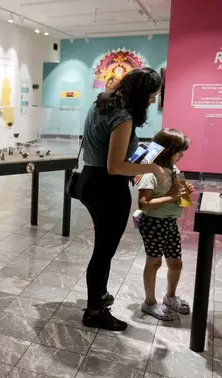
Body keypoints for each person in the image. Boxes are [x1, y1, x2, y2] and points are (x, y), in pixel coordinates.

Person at [76, 67, 166, 331]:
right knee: (103, 252)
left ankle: (100, 296)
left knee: (103, 248)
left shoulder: (101, 103)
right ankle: (94, 312)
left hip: (89, 181)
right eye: (151, 96)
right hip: (108, 188)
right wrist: (152, 167)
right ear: (140, 93)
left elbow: (105, 151)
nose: (152, 101)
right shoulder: (123, 116)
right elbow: (115, 166)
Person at [137, 128, 194, 320]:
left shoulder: (175, 171)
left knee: (176, 263)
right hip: (154, 222)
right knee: (154, 262)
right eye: (179, 151)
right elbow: (143, 204)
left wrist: (185, 193)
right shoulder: (150, 173)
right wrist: (171, 197)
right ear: (169, 151)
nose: (183, 155)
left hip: (170, 222)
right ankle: (149, 303)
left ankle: (170, 296)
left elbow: (182, 201)